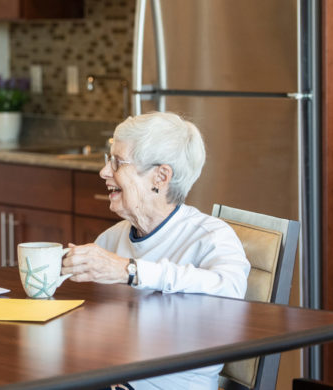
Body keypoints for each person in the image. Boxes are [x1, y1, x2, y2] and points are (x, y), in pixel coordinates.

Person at [61, 111, 250, 390]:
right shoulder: (112, 239)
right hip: (105, 378)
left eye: (117, 162)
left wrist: (129, 270)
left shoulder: (210, 236)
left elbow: (229, 290)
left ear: (160, 177)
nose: (103, 172)